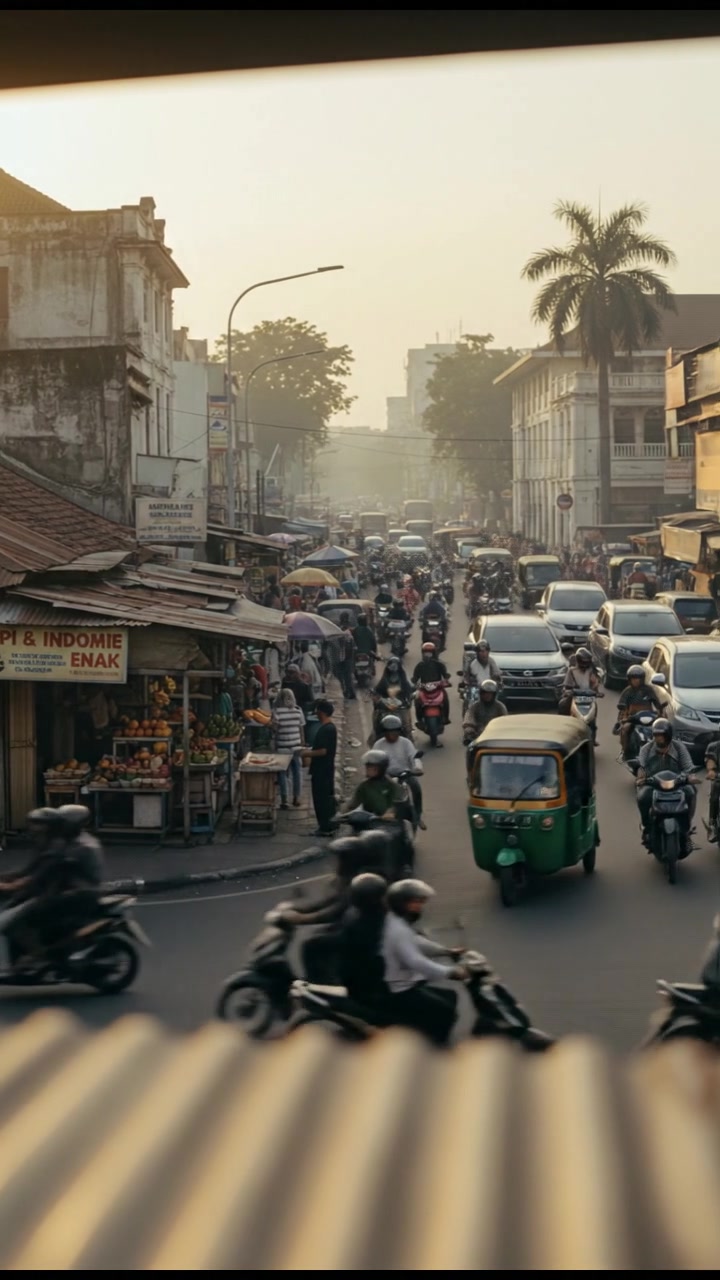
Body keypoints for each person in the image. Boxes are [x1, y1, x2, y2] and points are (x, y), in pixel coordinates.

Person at [0, 806, 103, 965]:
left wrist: (14, 886)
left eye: (39, 823)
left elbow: (44, 872)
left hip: (78, 895)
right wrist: (8, 879)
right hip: (62, 890)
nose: (34, 828)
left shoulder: (76, 846)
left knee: (18, 921)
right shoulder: (57, 843)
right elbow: (30, 869)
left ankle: (40, 956)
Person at [277, 838, 379, 984]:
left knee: (311, 944)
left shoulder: (358, 882)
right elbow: (329, 901)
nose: (336, 862)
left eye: (340, 858)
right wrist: (297, 908)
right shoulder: (345, 878)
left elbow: (335, 910)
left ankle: (316, 983)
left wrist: (302, 919)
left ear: (349, 860)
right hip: (347, 925)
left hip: (356, 932)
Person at [381, 879, 467, 1047]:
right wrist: (451, 972)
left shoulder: (395, 921)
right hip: (399, 987)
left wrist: (446, 951)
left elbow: (416, 942)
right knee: (446, 1010)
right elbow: (416, 961)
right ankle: (437, 1049)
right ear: (401, 903)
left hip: (401, 979)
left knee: (450, 997)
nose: (420, 907)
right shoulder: (397, 929)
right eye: (416, 902)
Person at [636, 718, 697, 851]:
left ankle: (687, 825)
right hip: (654, 784)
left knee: (691, 792)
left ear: (668, 735)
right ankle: (646, 826)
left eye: (661, 735)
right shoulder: (646, 749)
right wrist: (642, 777)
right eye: (656, 735)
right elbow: (642, 767)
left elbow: (688, 766)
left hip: (677, 784)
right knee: (642, 797)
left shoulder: (679, 747)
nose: (658, 738)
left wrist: (689, 776)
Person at [336, 872, 391, 1009]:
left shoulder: (353, 913)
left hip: (353, 976)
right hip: (372, 985)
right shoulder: (372, 922)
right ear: (374, 900)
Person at [373, 714, 426, 830]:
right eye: (389, 731)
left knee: (416, 789)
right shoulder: (378, 745)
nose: (392, 734)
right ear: (384, 732)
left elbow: (414, 757)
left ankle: (417, 816)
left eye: (395, 731)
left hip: (405, 775)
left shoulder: (406, 743)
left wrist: (417, 768)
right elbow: (374, 761)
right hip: (385, 776)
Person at [302, 699, 337, 837]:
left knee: (321, 799)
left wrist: (306, 753)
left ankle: (325, 827)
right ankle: (327, 825)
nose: (316, 714)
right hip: (326, 769)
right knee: (325, 798)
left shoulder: (326, 729)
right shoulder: (329, 728)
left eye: (317, 711)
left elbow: (323, 751)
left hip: (322, 770)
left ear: (321, 712)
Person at [616, 665, 663, 758]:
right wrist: (624, 718)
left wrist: (661, 712)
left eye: (638, 678)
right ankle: (624, 751)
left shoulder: (649, 690)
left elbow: (657, 704)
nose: (636, 680)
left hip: (649, 716)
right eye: (634, 678)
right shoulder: (627, 692)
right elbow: (622, 707)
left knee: (661, 730)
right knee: (625, 729)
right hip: (632, 717)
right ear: (629, 679)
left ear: (643, 679)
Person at [272, 687, 305, 809]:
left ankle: (284, 800)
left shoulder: (276, 711)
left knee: (282, 774)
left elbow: (274, 729)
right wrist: (303, 744)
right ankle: (296, 798)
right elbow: (301, 730)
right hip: (296, 747)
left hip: (282, 747)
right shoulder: (298, 711)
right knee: (297, 772)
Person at [347, 749, 405, 818]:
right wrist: (343, 814)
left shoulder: (391, 785)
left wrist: (390, 813)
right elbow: (352, 805)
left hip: (389, 824)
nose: (368, 769)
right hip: (368, 822)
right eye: (367, 766)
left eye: (371, 767)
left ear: (381, 768)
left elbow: (396, 804)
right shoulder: (364, 786)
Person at [412, 642, 451, 725]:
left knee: (445, 698)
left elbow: (445, 676)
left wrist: (446, 681)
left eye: (429, 653)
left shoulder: (439, 664)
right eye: (426, 653)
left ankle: (445, 717)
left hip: (438, 688)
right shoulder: (420, 665)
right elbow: (415, 678)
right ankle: (419, 721)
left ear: (434, 653)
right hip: (424, 688)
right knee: (417, 700)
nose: (427, 655)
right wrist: (415, 684)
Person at [462, 678, 508, 748]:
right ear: (481, 693)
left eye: (490, 694)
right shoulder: (475, 706)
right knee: (471, 753)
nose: (487, 696)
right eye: (485, 693)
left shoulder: (500, 706)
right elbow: (469, 718)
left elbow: (505, 721)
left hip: (495, 736)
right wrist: (469, 729)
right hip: (478, 736)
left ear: (494, 694)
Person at [558, 646, 602, 715]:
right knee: (562, 705)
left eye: (586, 663)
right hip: (574, 697)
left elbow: (595, 686)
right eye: (583, 663)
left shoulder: (591, 671)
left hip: (588, 698)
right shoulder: (572, 671)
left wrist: (597, 691)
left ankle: (593, 724)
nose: (584, 666)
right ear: (578, 661)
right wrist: (568, 692)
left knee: (594, 708)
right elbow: (567, 686)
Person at [335, 612, 356, 701]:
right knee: (347, 677)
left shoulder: (340, 630)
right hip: (347, 657)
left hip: (342, 657)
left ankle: (348, 693)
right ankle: (348, 692)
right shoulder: (349, 629)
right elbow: (353, 646)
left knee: (343, 677)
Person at [704, 736, 720, 842]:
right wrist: (711, 771)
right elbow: (710, 761)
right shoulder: (714, 747)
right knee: (716, 787)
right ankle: (713, 823)